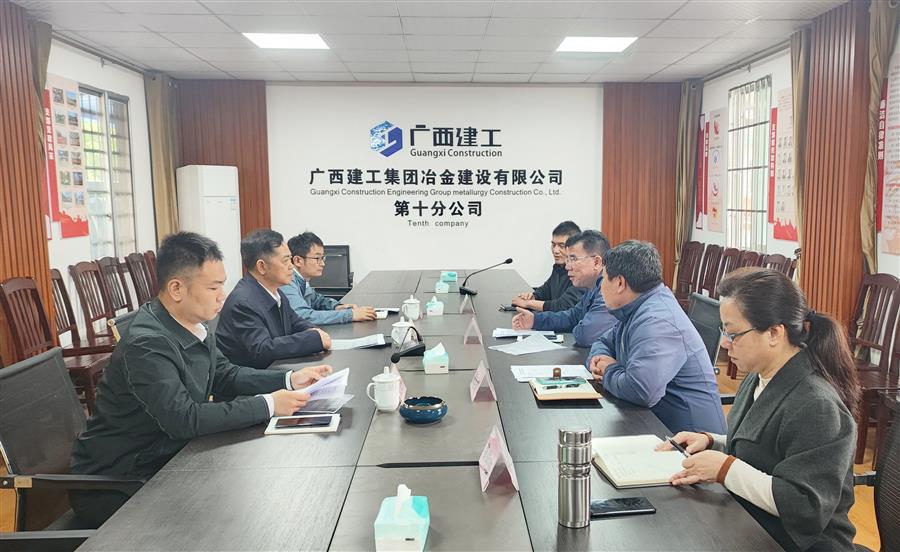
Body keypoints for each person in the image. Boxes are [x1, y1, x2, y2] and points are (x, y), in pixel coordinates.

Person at [69, 232, 332, 528]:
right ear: (177, 289)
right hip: (119, 483)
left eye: (222, 284)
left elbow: (226, 375)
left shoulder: (192, 325)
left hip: (168, 460)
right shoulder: (147, 344)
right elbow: (184, 419)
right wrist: (269, 404)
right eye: (213, 287)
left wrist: (288, 379)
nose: (222, 295)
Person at [659, 268, 859, 551]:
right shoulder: (759, 375)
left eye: (733, 334)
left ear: (774, 333)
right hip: (754, 522)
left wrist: (725, 469)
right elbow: (763, 449)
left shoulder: (817, 405)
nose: (725, 344)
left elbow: (805, 506)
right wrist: (712, 441)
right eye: (724, 332)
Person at [587, 240, 726, 434]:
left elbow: (640, 390)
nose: (600, 287)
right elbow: (603, 342)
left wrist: (608, 369)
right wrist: (598, 359)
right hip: (656, 423)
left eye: (603, 279)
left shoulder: (657, 320)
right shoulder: (636, 307)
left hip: (689, 440)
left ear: (619, 283)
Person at [217, 229, 330, 368]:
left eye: (290, 259)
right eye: (285, 261)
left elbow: (295, 322)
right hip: (254, 377)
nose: (291, 266)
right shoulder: (243, 303)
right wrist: (314, 339)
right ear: (262, 266)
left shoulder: (276, 292)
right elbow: (262, 349)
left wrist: (313, 330)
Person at [511, 230, 616, 347]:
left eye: (573, 259)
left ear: (596, 262)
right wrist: (534, 320)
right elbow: (572, 317)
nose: (567, 267)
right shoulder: (593, 287)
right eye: (568, 260)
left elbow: (586, 335)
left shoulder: (610, 292)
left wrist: (578, 325)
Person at [282, 232, 376, 325]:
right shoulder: (287, 282)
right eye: (317, 258)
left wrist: (336, 307)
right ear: (298, 261)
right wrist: (350, 315)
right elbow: (303, 316)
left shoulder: (302, 279)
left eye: (322, 258)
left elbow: (317, 301)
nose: (323, 264)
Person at [511, 220, 586, 312]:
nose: (555, 251)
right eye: (553, 245)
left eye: (561, 246)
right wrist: (532, 296)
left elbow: (562, 306)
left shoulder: (582, 275)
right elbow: (545, 291)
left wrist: (528, 303)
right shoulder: (559, 268)